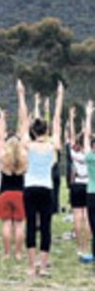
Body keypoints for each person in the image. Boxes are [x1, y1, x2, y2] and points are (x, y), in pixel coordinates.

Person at [17, 79, 64, 277]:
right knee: (45, 227)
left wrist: (21, 95)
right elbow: (57, 119)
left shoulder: (28, 144)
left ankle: (30, 266)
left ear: (32, 131)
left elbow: (23, 121)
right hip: (46, 189)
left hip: (29, 189)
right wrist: (60, 96)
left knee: (30, 226)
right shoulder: (53, 145)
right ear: (46, 131)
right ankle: (43, 267)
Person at [0, 109, 27, 260]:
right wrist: (24, 120)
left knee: (6, 225)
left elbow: (0, 138)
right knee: (19, 226)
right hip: (20, 194)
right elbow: (25, 133)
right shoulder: (23, 159)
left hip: (5, 194)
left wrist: (2, 120)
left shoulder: (3, 158)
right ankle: (19, 253)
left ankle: (7, 253)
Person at [68, 106, 90, 256]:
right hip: (88, 184)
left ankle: (79, 247)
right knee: (87, 218)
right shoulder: (89, 155)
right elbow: (87, 135)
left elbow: (71, 138)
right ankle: (87, 246)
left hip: (76, 184)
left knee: (76, 217)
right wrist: (89, 116)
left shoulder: (74, 154)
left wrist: (71, 119)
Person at [83, 100, 95, 262]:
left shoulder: (90, 157)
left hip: (92, 193)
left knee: (93, 226)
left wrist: (89, 115)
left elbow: (86, 136)